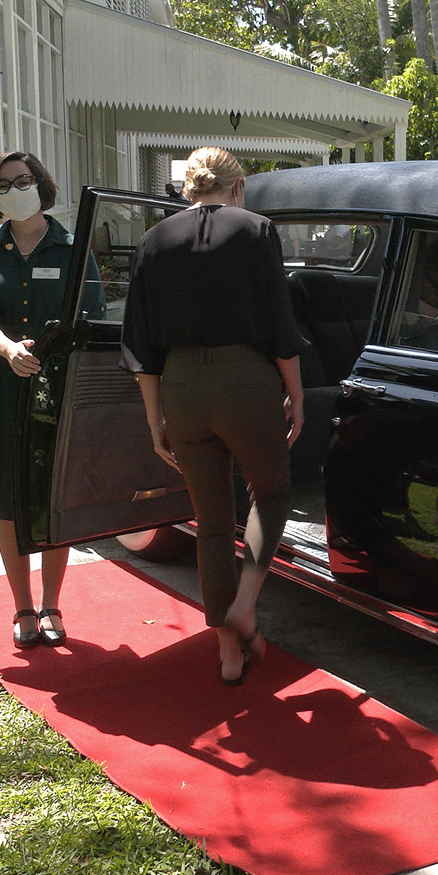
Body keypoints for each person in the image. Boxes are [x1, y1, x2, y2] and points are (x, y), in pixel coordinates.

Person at [123, 148, 307, 684]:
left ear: (189, 188)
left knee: (209, 523)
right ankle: (245, 603)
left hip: (181, 387)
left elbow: (142, 343)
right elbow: (280, 322)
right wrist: (296, 395)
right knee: (269, 493)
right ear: (238, 185)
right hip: (245, 382)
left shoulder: (155, 239)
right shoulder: (256, 231)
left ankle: (229, 655)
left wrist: (154, 420)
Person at [0, 151, 101, 648]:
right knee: (8, 496)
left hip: (56, 386)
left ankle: (53, 603)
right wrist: (9, 348)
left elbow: (92, 316)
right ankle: (22, 608)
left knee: (52, 495)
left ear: (41, 183)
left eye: (23, 180)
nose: (15, 190)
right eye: (3, 185)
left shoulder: (73, 247)